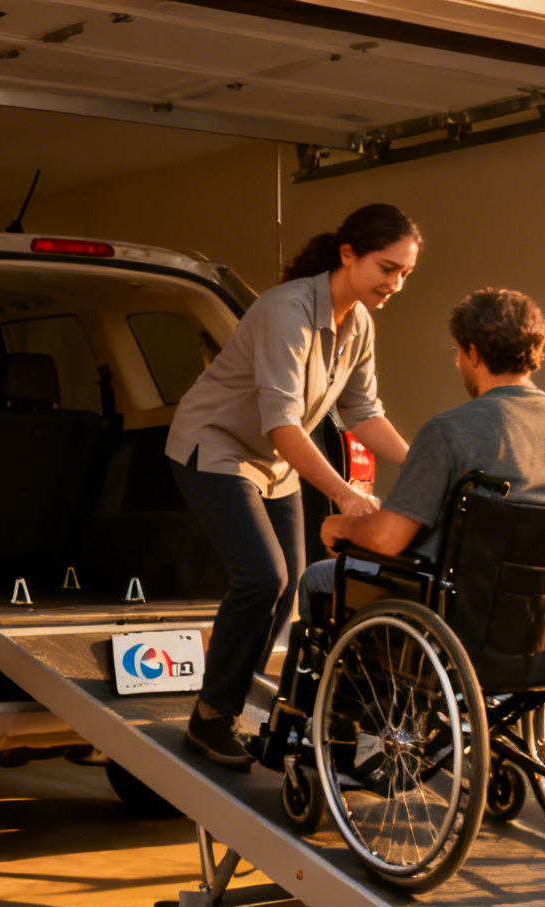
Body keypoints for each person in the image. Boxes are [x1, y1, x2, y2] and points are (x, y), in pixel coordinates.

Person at [168, 204, 421, 768]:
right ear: (348, 254)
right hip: (216, 448)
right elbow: (282, 422)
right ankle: (210, 719)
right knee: (263, 576)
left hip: (275, 464)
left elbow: (361, 410)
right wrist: (346, 491)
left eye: (405, 272)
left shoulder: (359, 322)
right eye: (387, 268)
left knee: (293, 590)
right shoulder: (288, 309)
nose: (396, 283)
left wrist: (424, 464)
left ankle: (233, 703)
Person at [310, 287, 545, 612]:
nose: (457, 362)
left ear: (473, 353)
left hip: (461, 614)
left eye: (459, 351)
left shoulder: (448, 432)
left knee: (316, 578)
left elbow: (386, 540)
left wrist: (341, 526)